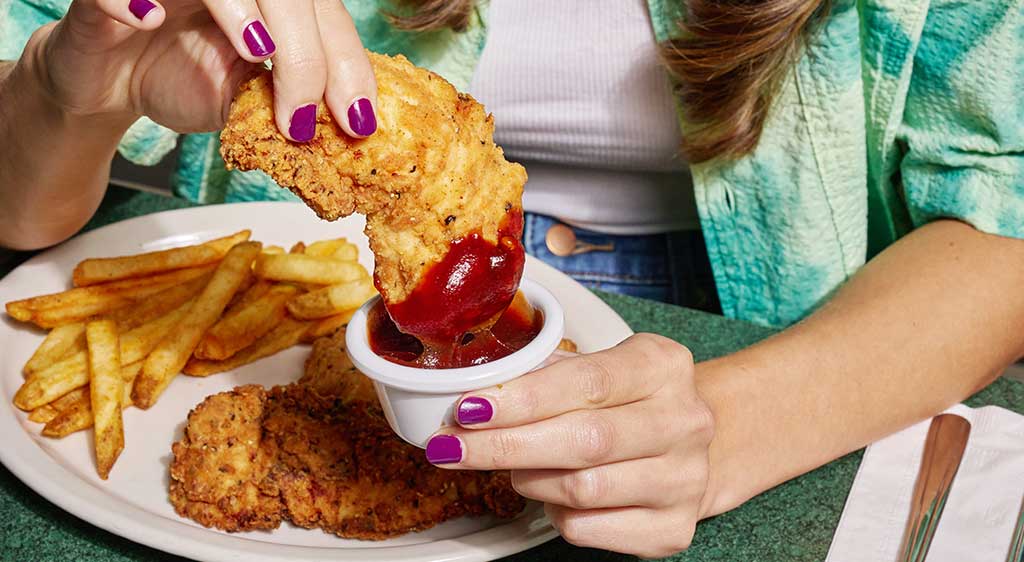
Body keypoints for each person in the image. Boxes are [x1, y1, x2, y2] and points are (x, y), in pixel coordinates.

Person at [2, 0, 1022, 557]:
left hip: (770, 327)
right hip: (335, 277)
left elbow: (1003, 219)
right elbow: (20, 198)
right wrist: (68, 87)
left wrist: (721, 426)